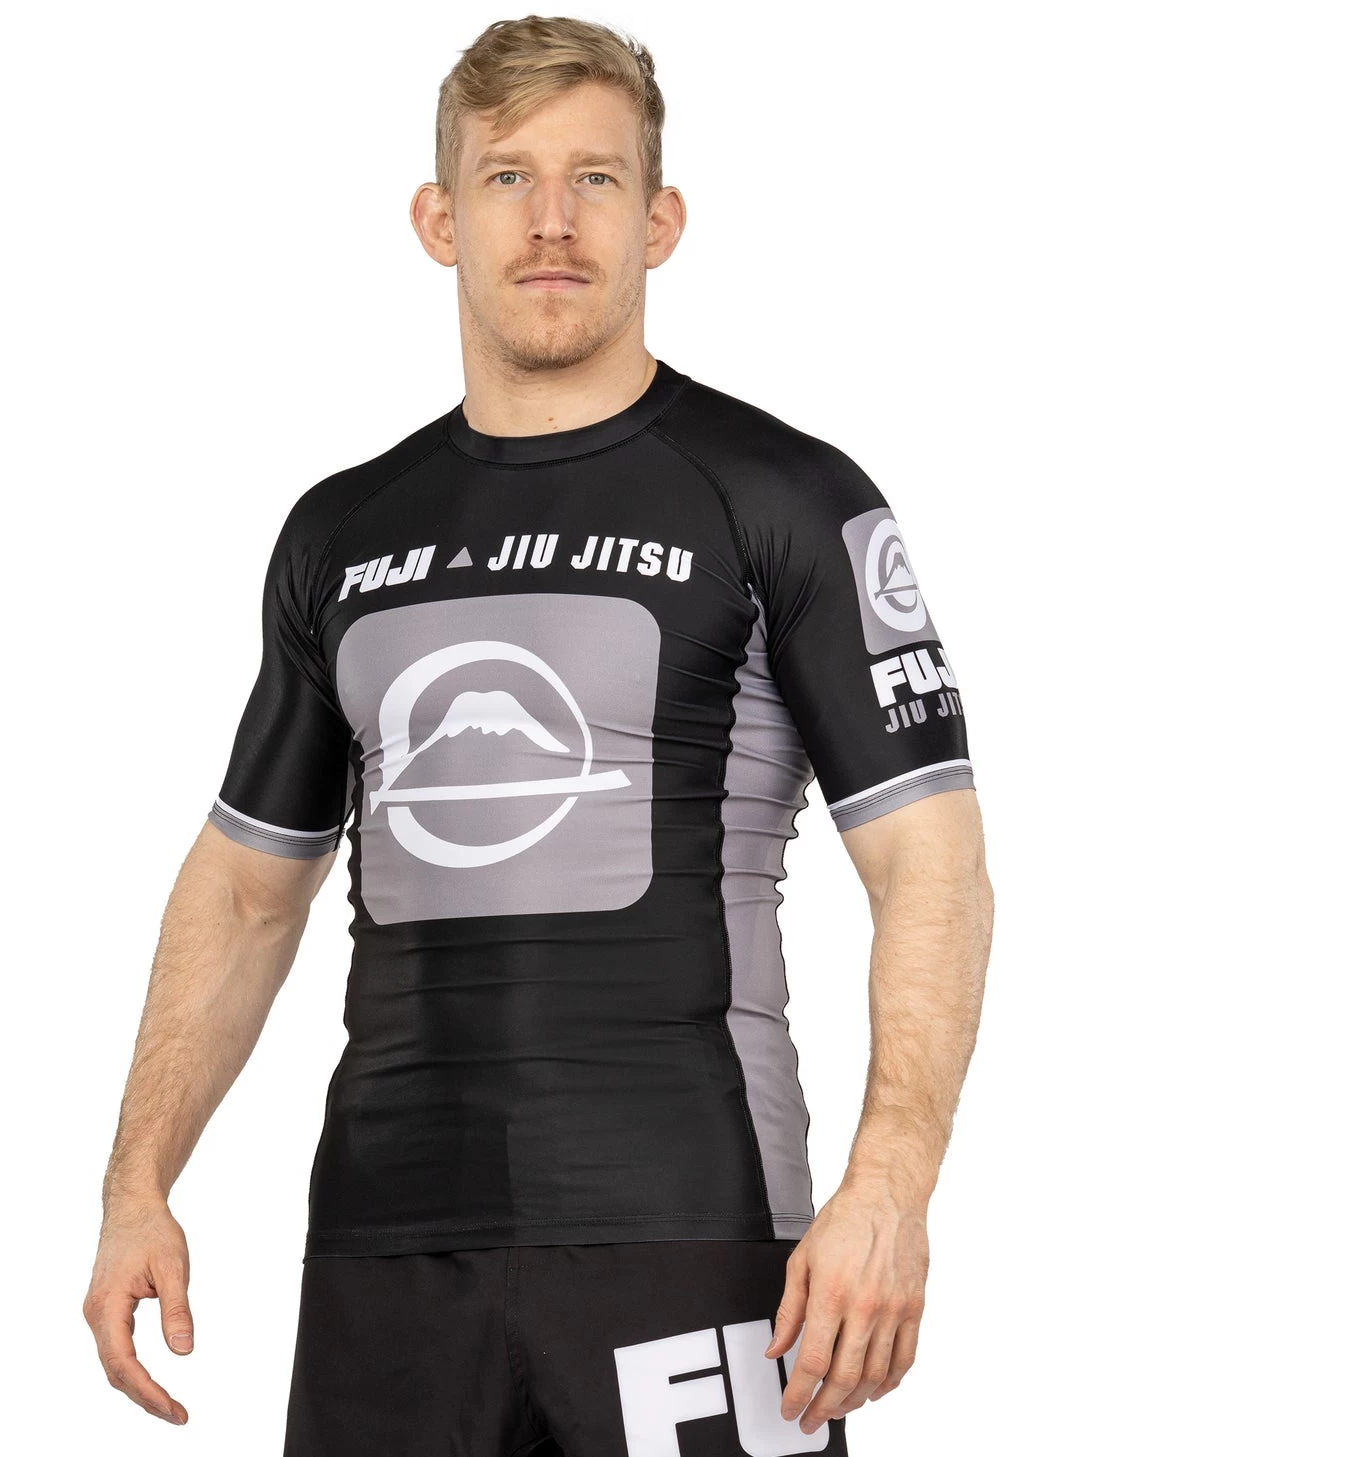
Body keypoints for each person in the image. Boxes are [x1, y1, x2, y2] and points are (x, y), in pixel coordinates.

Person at [82, 15, 994, 1454]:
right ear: (439, 220)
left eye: (597, 179)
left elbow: (932, 868)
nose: (553, 221)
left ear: (661, 219)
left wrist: (890, 1184)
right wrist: (138, 1182)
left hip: (695, 1228)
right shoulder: (342, 533)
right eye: (508, 177)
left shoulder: (783, 497)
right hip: (387, 1249)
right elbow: (249, 889)